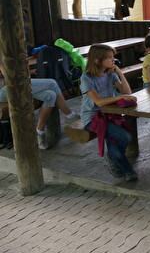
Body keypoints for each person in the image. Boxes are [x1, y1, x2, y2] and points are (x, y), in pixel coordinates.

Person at [80, 44, 138, 181]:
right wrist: (119, 97)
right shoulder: (86, 78)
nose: (113, 60)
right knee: (123, 136)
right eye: (110, 58)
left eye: (113, 57)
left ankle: (113, 158)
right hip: (92, 117)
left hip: (110, 114)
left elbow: (127, 92)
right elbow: (98, 102)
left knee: (119, 138)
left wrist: (119, 73)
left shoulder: (110, 74)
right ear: (97, 61)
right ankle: (127, 169)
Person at [0, 56, 79, 150]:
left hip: (13, 86)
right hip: (6, 90)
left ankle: (40, 132)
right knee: (52, 83)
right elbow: (11, 77)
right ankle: (70, 116)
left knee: (50, 95)